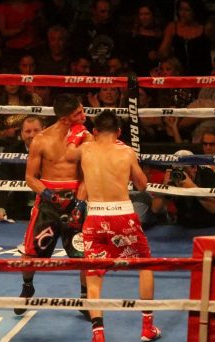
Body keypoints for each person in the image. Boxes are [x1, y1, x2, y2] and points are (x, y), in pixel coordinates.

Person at [66, 109, 161, 342]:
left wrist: (77, 132)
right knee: (145, 265)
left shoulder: (86, 149)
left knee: (94, 274)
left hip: (95, 217)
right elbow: (142, 185)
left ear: (95, 131)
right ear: (118, 131)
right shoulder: (126, 152)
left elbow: (69, 154)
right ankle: (147, 327)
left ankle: (98, 334)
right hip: (123, 216)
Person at [15, 93, 92, 318]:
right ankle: (27, 288)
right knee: (30, 253)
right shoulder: (41, 140)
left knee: (84, 254)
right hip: (48, 204)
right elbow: (30, 178)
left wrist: (80, 201)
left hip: (76, 199)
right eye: (78, 113)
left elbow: (87, 175)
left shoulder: (86, 139)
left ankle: (85, 299)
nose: (84, 115)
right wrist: (49, 195)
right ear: (66, 119)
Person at [152, 150, 215, 227]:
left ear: (194, 168)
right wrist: (164, 188)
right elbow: (155, 209)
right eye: (178, 169)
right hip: (186, 227)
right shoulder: (174, 177)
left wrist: (193, 188)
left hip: (214, 225)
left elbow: (214, 208)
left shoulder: (207, 175)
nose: (181, 173)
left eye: (184, 170)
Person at [0, 115, 44, 221]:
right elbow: (2, 178)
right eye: (28, 131)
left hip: (45, 207)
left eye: (36, 130)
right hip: (18, 207)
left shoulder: (53, 151)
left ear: (43, 131)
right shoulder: (12, 151)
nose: (32, 135)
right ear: (21, 134)